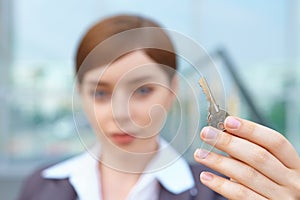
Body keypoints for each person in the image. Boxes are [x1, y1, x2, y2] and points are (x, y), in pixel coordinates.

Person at [17, 14, 300, 200]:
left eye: (142, 90)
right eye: (100, 93)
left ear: (172, 91)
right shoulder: (40, 187)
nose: (120, 113)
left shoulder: (221, 191)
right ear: (80, 94)